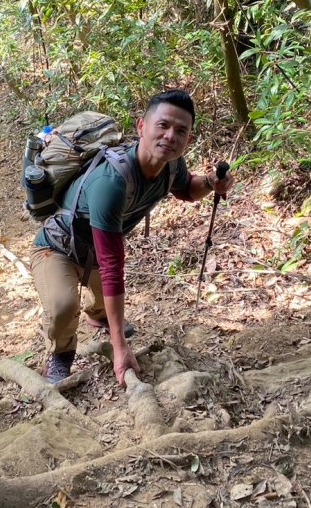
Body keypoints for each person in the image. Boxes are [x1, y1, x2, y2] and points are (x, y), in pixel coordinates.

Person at [29, 89, 234, 386]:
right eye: (162, 125)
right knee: (63, 308)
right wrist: (119, 348)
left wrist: (210, 183)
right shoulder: (111, 183)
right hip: (57, 248)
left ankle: (98, 315)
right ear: (141, 127)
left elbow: (186, 189)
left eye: (180, 130)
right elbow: (113, 267)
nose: (170, 136)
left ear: (188, 140)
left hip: (96, 254)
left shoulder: (172, 165)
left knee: (104, 300)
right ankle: (61, 353)